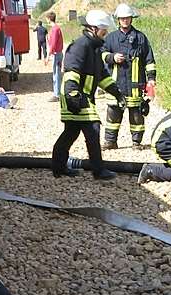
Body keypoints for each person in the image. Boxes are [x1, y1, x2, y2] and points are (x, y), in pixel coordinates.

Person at [51, 10, 127, 181]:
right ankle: (98, 171)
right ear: (93, 28)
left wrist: (117, 93)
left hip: (82, 97)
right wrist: (73, 96)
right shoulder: (81, 46)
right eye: (103, 30)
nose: (105, 33)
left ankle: (58, 166)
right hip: (75, 97)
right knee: (93, 129)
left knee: (71, 132)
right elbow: (71, 71)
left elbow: (102, 76)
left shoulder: (94, 48)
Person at [100, 3, 156, 150]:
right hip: (116, 85)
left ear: (131, 19)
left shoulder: (141, 38)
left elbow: (149, 60)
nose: (125, 20)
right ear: (118, 19)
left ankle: (136, 142)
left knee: (137, 116)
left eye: (127, 18)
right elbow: (102, 54)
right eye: (122, 18)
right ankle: (110, 142)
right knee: (113, 114)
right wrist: (112, 57)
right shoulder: (111, 38)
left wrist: (151, 79)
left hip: (135, 85)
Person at [46, 11, 63, 102]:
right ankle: (57, 93)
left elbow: (53, 44)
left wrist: (48, 56)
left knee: (56, 74)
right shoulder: (56, 28)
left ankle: (57, 94)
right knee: (56, 73)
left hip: (57, 54)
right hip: (57, 53)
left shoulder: (55, 29)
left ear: (49, 18)